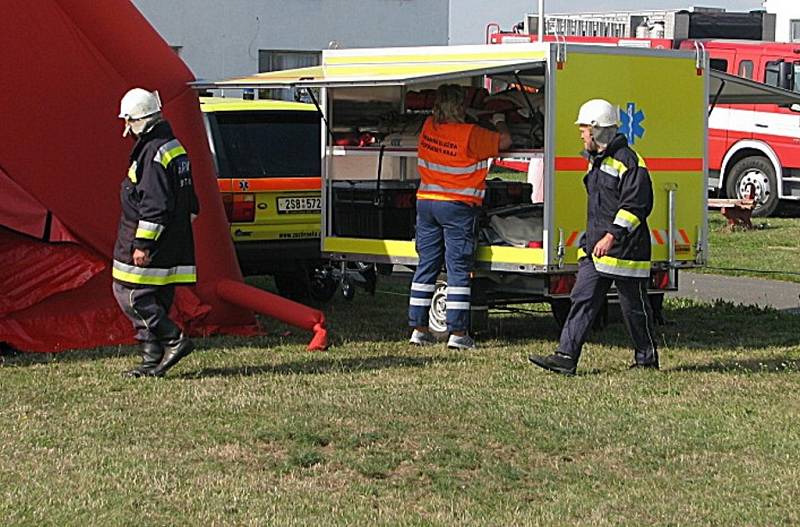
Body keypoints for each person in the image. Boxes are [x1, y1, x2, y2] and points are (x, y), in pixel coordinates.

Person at [529, 99, 659, 375]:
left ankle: (646, 359)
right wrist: (591, 242)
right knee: (582, 299)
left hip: (626, 252)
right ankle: (565, 357)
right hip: (596, 249)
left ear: (598, 130)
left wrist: (611, 236)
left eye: (584, 128)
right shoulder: (597, 161)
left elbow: (637, 206)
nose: (581, 133)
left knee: (633, 308)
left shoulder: (629, 161)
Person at [408, 84, 511, 350]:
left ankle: (418, 328)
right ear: (461, 107)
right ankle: (458, 332)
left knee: (426, 265)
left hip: (427, 203)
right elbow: (505, 142)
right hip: (458, 207)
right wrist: (499, 120)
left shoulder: (429, 127)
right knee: (458, 269)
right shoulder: (471, 134)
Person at [113, 88, 200, 378]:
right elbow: (191, 202)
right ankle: (151, 359)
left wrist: (143, 244)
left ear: (139, 120)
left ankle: (173, 339)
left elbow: (154, 203)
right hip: (171, 238)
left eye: (128, 122)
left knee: (132, 295)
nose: (127, 129)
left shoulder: (152, 152)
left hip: (150, 240)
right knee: (156, 295)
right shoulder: (171, 146)